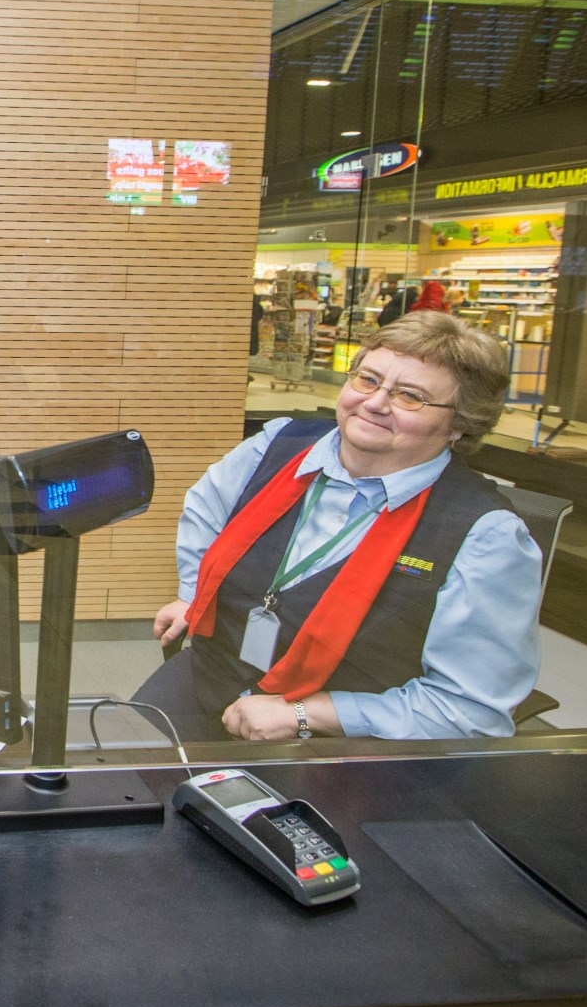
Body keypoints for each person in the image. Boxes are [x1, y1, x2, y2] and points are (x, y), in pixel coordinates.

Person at [133, 311, 542, 742]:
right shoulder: (278, 443)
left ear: (460, 423)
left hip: (347, 739)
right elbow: (205, 508)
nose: (376, 403)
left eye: (410, 397)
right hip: (211, 676)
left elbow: (469, 710)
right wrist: (193, 594)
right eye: (368, 379)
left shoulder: (487, 535)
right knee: (113, 783)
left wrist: (308, 714)